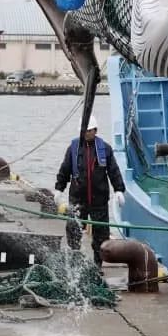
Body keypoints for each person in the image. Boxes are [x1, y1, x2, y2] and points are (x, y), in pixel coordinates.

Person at [54, 114, 126, 268]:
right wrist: (59, 189)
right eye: (85, 130)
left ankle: (98, 265)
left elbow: (113, 170)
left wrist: (119, 190)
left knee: (101, 233)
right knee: (73, 230)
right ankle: (75, 262)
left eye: (90, 130)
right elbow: (65, 169)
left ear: (95, 130)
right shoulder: (73, 148)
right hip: (78, 199)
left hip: (99, 200)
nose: (87, 133)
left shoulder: (105, 149)